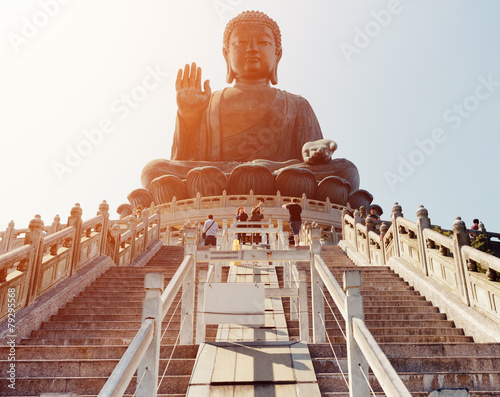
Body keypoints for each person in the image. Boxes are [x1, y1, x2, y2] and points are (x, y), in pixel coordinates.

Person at [139, 10, 361, 204]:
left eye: (263, 43)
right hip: (220, 177)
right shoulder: (210, 103)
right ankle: (255, 173)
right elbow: (183, 161)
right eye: (240, 43)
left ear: (278, 55)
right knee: (153, 170)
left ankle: (260, 173)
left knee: (347, 171)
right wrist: (188, 116)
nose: (252, 49)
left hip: (281, 176)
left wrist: (315, 150)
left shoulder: (297, 104)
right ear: (226, 55)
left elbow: (313, 155)